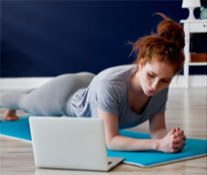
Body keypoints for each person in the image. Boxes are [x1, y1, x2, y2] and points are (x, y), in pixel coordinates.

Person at [0, 13, 186, 153]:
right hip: (66, 95)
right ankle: (10, 102)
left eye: (164, 81)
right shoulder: (112, 85)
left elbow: (158, 130)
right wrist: (158, 145)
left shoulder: (161, 87)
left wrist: (171, 139)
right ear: (142, 63)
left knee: (31, 98)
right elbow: (111, 141)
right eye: (151, 75)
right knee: (25, 102)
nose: (155, 86)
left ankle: (21, 101)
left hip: (92, 86)